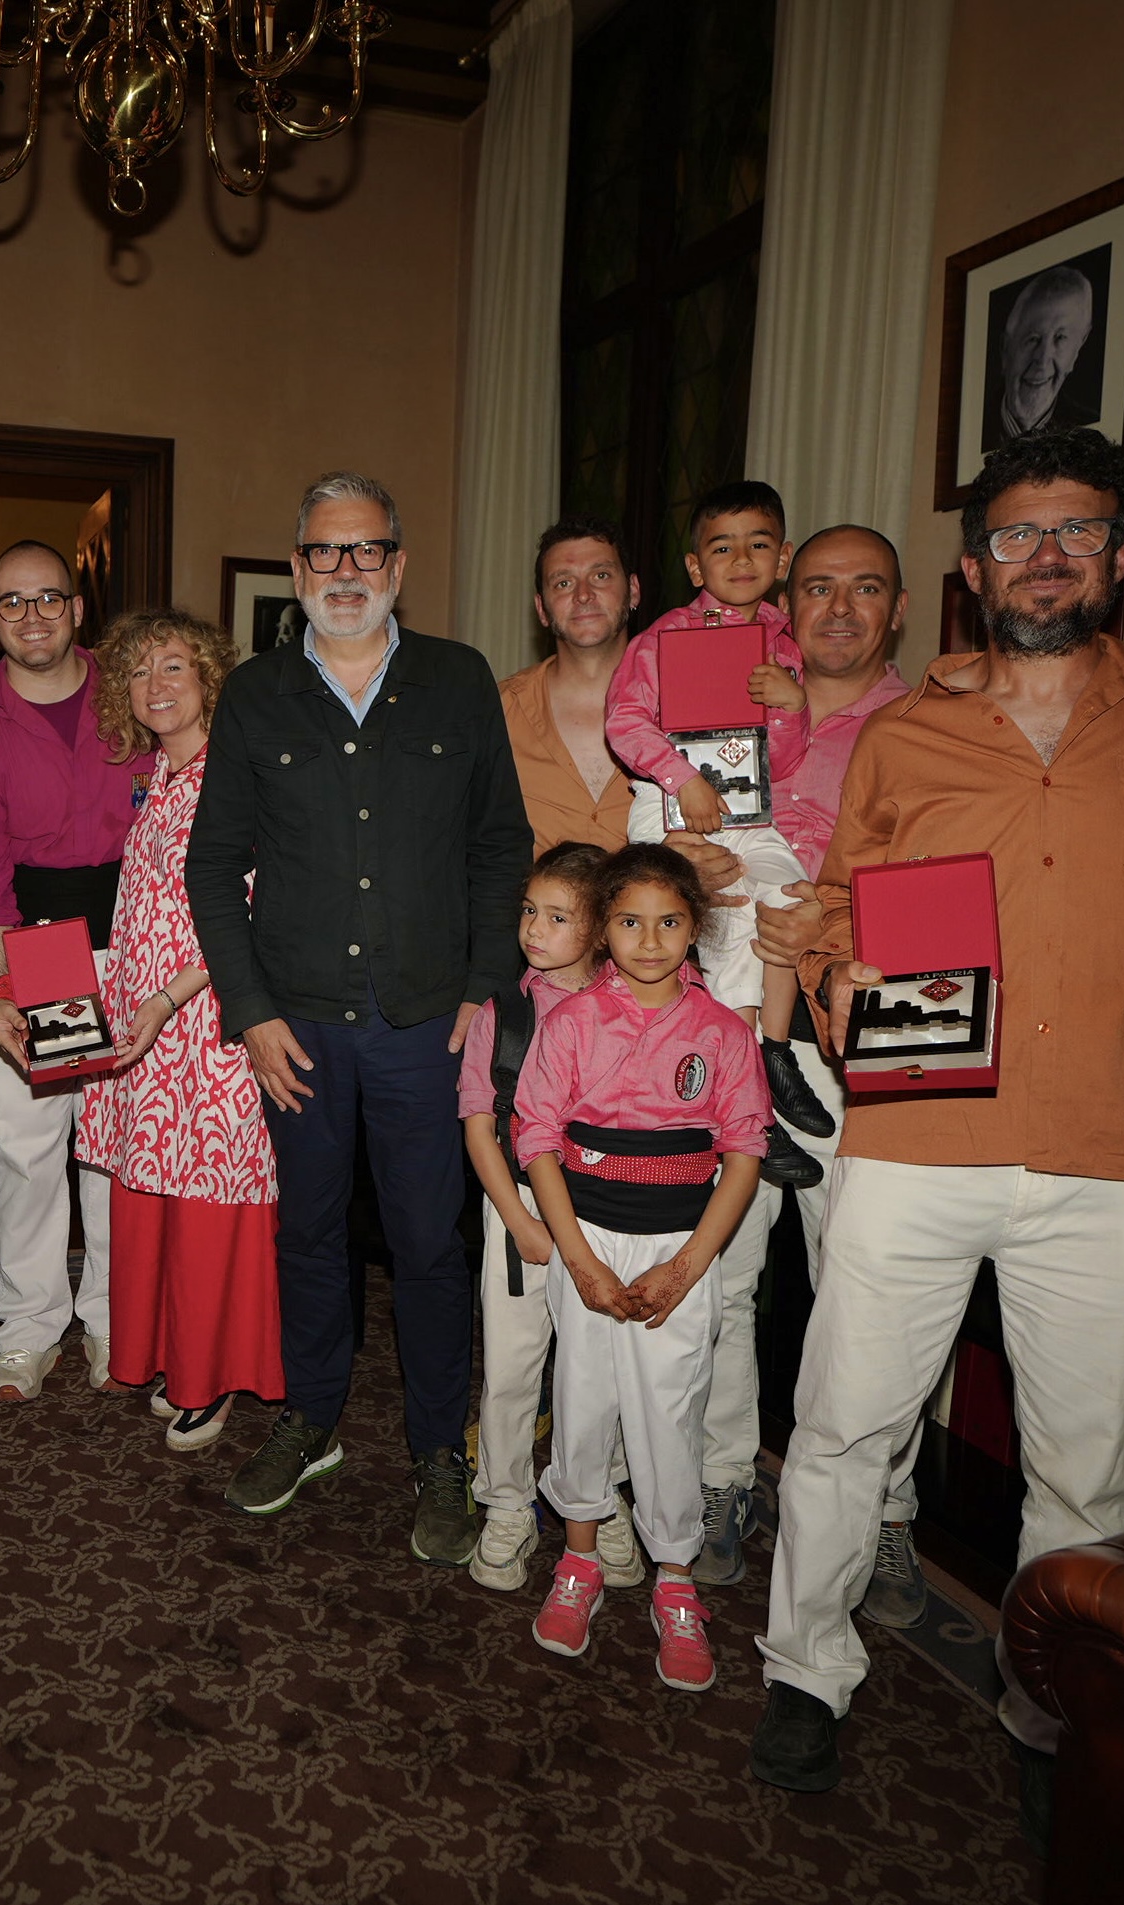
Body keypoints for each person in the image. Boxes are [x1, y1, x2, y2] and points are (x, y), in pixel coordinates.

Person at [752, 428, 1124, 1796]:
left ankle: (1043, 1707)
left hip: (1116, 1156)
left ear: (1119, 554)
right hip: (913, 1139)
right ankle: (803, 1668)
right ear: (973, 570)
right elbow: (840, 904)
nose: (1045, 557)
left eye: (1074, 531)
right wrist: (849, 993)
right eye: (1016, 535)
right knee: (843, 1423)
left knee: (1086, 1473)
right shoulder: (909, 734)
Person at [185, 469, 531, 1563]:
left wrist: (483, 986)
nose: (345, 572)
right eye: (324, 553)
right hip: (301, 1029)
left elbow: (499, 847)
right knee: (311, 1233)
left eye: (365, 551)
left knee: (431, 1245)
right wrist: (249, 1012)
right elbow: (212, 866)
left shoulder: (457, 681)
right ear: (295, 570)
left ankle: (439, 1449)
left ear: (398, 566)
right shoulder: (253, 696)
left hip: (427, 1025)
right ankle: (312, 1420)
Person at [600, 482, 822, 1594]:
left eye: (757, 547)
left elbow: (798, 755)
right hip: (673, 805)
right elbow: (624, 724)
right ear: (695, 563)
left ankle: (764, 1068)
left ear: (776, 559)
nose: (739, 563)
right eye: (721, 548)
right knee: (674, 937)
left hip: (757, 815)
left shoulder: (791, 641)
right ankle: (728, 1073)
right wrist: (681, 785)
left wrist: (789, 704)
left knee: (768, 923)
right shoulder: (662, 639)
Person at [515, 844, 769, 1693]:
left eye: (669, 922)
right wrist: (579, 1259)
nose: (650, 940)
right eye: (629, 921)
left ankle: (675, 1576)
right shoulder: (572, 1022)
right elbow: (537, 1136)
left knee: (672, 1406)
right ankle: (579, 1561)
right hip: (587, 1239)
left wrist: (691, 1264)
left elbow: (743, 1150)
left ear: (697, 926)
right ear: (603, 928)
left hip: (678, 1252)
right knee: (583, 1397)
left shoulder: (725, 1034)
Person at [742, 523, 939, 1620]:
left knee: (864, 1290)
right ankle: (729, 1482)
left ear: (898, 608)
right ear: (788, 601)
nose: (838, 609)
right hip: (729, 1025)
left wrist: (831, 905)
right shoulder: (745, 706)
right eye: (817, 588)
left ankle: (889, 1513)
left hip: (852, 1045)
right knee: (726, 1287)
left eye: (865, 589)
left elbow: (947, 885)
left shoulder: (933, 728)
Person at [0, 540, 150, 1402]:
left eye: (49, 599)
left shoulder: (134, 694)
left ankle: (108, 1321)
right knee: (29, 1152)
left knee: (111, 1153)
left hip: (137, 948)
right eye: (13, 603)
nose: (33, 616)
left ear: (76, 608)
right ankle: (28, 1329)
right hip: (38, 950)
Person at [70, 607, 282, 1450]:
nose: (154, 687)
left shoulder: (235, 777)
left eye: (174, 669)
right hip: (147, 1025)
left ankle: (211, 1376)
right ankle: (168, 1352)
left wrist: (166, 999)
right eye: (138, 672)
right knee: (153, 1193)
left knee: (207, 1205)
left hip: (208, 1025)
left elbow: (252, 907)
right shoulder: (158, 775)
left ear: (209, 681)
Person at [459, 840, 629, 1589]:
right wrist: (518, 1221)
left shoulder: (635, 1005)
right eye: (530, 910)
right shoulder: (507, 1011)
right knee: (511, 1365)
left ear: (598, 930)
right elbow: (479, 1125)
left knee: (601, 1370)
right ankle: (505, 1499)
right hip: (522, 1210)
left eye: (558, 917)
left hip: (605, 1207)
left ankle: (602, 1492)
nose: (534, 928)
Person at [497, 519, 641, 855]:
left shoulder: (685, 704)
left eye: (601, 575)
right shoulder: (497, 712)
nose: (583, 594)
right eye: (563, 583)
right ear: (541, 609)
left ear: (633, 590)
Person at [989, 264, 1099, 448]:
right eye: (1033, 339)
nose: (1043, 360)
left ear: (1078, 347)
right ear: (1005, 349)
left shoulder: (1087, 433)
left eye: (1060, 338)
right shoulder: (972, 423)